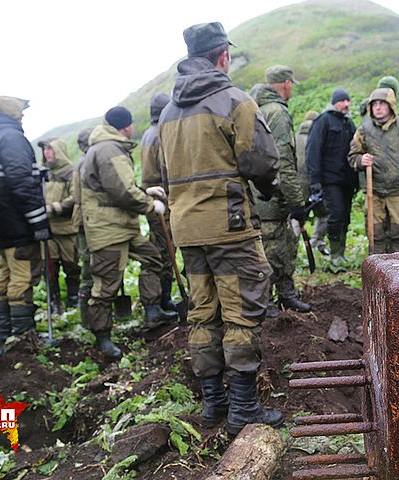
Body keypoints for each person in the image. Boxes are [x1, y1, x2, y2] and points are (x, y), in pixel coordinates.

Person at [158, 21, 284, 436]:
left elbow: (159, 173)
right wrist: (271, 188)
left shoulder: (169, 113)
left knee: (202, 314)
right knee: (242, 313)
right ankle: (244, 408)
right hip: (230, 228)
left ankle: (214, 403)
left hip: (186, 230)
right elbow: (260, 164)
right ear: (223, 56)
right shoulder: (235, 100)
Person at [79, 106, 175, 359]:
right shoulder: (109, 149)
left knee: (153, 257)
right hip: (108, 229)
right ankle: (102, 338)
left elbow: (120, 186)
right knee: (106, 283)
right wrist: (148, 205)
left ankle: (153, 310)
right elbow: (120, 191)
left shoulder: (106, 146)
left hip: (122, 226)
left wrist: (145, 191)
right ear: (127, 126)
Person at [0, 96, 49, 344]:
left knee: (6, 278)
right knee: (22, 278)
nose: (23, 115)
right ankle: (22, 339)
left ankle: (4, 335)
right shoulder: (11, 138)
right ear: (11, 112)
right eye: (20, 110)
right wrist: (38, 222)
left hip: (1, 224)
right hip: (18, 224)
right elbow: (20, 183)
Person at [250, 66, 310, 317]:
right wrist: (297, 202)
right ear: (285, 84)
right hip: (273, 195)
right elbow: (284, 161)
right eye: (291, 84)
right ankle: (267, 302)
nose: (292, 88)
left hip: (260, 192)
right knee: (274, 249)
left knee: (281, 244)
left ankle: (286, 295)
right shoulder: (278, 112)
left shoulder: (256, 108)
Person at [349, 87, 399, 253]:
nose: (377, 107)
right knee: (375, 235)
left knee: (398, 234)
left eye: (382, 104)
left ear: (391, 106)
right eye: (374, 104)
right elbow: (353, 156)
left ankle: (398, 272)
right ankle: (377, 272)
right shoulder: (364, 129)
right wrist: (361, 160)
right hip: (374, 191)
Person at [306, 88, 357, 272]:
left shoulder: (349, 123)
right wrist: (315, 180)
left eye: (348, 101)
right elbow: (313, 151)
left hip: (347, 181)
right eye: (343, 101)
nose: (346, 104)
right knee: (335, 215)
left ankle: (341, 253)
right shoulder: (323, 121)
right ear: (335, 102)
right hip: (330, 179)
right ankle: (335, 255)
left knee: (345, 217)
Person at [140, 93, 177, 313]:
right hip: (162, 198)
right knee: (164, 251)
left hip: (152, 197)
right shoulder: (161, 134)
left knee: (163, 249)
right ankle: (160, 301)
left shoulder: (147, 133)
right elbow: (166, 168)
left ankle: (163, 299)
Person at [38, 138, 80, 313]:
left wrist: (53, 209)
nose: (47, 153)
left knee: (72, 266)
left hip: (67, 228)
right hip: (48, 231)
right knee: (49, 268)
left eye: (50, 149)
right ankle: (54, 302)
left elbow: (75, 197)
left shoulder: (70, 172)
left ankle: (74, 299)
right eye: (45, 150)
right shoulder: (41, 173)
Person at [296, 111, 329, 255]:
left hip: (298, 184)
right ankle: (318, 241)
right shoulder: (320, 137)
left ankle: (294, 245)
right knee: (323, 214)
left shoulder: (295, 138)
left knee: (297, 217)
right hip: (317, 183)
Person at [71, 128, 93, 318]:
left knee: (88, 265)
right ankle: (86, 316)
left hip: (81, 218)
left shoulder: (78, 162)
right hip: (88, 219)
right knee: (89, 268)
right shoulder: (88, 162)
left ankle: (85, 314)